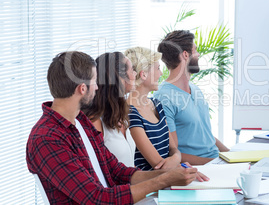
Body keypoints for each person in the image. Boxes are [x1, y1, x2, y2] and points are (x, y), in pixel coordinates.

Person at [26, 51, 197, 204]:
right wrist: (164, 180)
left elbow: (118, 171)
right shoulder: (47, 138)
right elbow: (97, 198)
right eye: (94, 81)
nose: (97, 87)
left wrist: (170, 175)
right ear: (82, 89)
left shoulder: (80, 122)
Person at [154, 30, 230, 165]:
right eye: (195, 50)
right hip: (199, 168)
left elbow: (205, 136)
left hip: (216, 162)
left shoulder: (195, 89)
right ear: (185, 54)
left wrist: (232, 157)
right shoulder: (163, 97)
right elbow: (172, 152)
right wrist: (214, 162)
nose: (198, 54)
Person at [124, 47, 181, 171]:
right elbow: (158, 165)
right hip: (153, 184)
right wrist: (178, 160)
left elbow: (173, 149)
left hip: (170, 176)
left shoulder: (156, 104)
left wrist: (176, 158)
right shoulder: (130, 113)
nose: (161, 73)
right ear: (143, 74)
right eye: (158, 68)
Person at [83, 52, 136, 167]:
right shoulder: (95, 121)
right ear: (119, 78)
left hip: (133, 183)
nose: (135, 74)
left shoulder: (120, 114)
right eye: (132, 71)